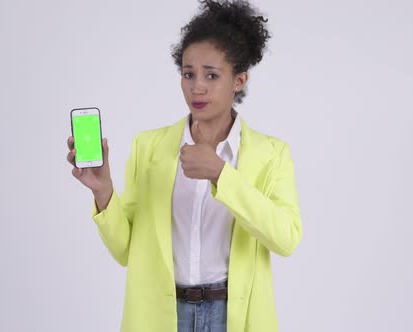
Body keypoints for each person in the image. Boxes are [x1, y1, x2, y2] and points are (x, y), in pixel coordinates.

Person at [66, 0, 302, 331]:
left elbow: (286, 238)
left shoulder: (272, 154)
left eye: (211, 75)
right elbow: (126, 252)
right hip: (161, 316)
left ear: (239, 80)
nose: (197, 87)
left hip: (230, 316)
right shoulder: (149, 148)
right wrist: (103, 191)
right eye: (188, 74)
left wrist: (221, 174)